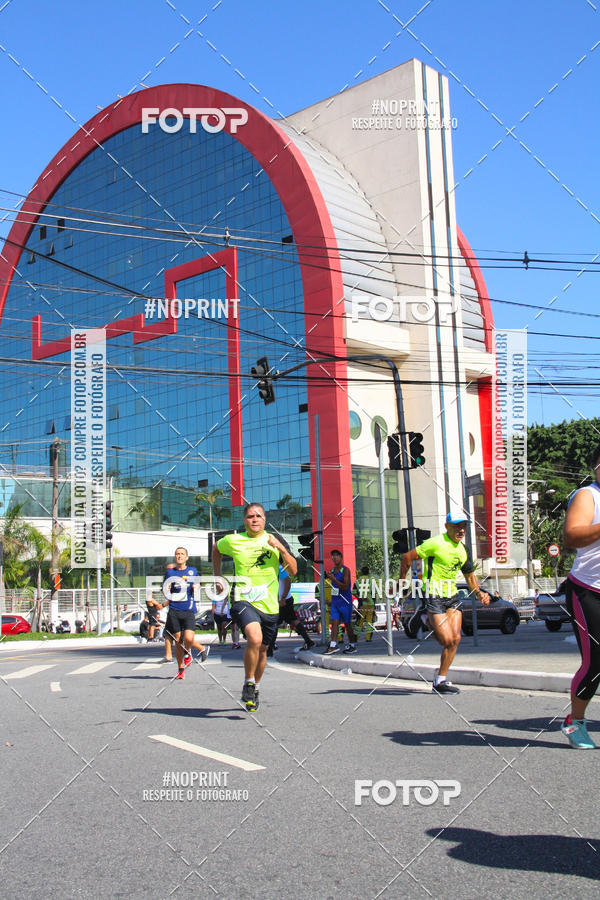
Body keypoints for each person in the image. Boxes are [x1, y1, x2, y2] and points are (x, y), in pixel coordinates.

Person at [212, 503, 297, 711]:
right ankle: (249, 682)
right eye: (250, 516)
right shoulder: (234, 540)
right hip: (243, 599)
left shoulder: (273, 540)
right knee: (255, 638)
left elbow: (293, 570)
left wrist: (281, 548)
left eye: (258, 516)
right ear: (244, 520)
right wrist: (217, 576)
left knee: (263, 650)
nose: (254, 519)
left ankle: (255, 687)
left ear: (265, 520)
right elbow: (216, 549)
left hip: (269, 605)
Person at [400, 513, 490, 694]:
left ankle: (440, 680)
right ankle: (424, 618)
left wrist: (479, 594)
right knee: (445, 639)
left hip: (452, 596)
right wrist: (402, 582)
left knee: (455, 639)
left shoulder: (463, 549)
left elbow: (470, 577)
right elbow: (407, 557)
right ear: (447, 526)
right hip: (433, 593)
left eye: (464, 526)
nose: (461, 530)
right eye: (457, 526)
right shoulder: (435, 543)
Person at [560, 442, 600, 749]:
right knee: (596, 661)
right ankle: (575, 723)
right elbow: (572, 536)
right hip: (588, 591)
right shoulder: (589, 495)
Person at [159, 547, 209, 679]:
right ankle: (181, 668)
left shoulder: (193, 571)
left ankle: (188, 653)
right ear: (175, 557)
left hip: (188, 610)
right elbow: (165, 590)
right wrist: (167, 588)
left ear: (187, 557)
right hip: (174, 610)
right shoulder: (170, 573)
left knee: (188, 638)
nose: (179, 556)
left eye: (182, 554)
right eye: (177, 554)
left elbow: (198, 585)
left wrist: (196, 586)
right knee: (178, 640)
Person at [267, 564, 315, 656]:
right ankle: (309, 641)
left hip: (284, 600)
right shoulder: (273, 568)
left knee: (275, 623)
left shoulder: (279, 568)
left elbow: (287, 581)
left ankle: (270, 649)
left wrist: (283, 598)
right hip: (282, 600)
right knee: (293, 620)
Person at [324, 549, 357, 654]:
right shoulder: (333, 571)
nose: (334, 558)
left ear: (341, 557)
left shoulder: (345, 570)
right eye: (332, 556)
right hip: (335, 602)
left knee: (348, 625)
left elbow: (345, 586)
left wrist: (333, 579)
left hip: (345, 602)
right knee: (334, 623)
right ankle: (333, 645)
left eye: (336, 556)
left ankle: (352, 645)